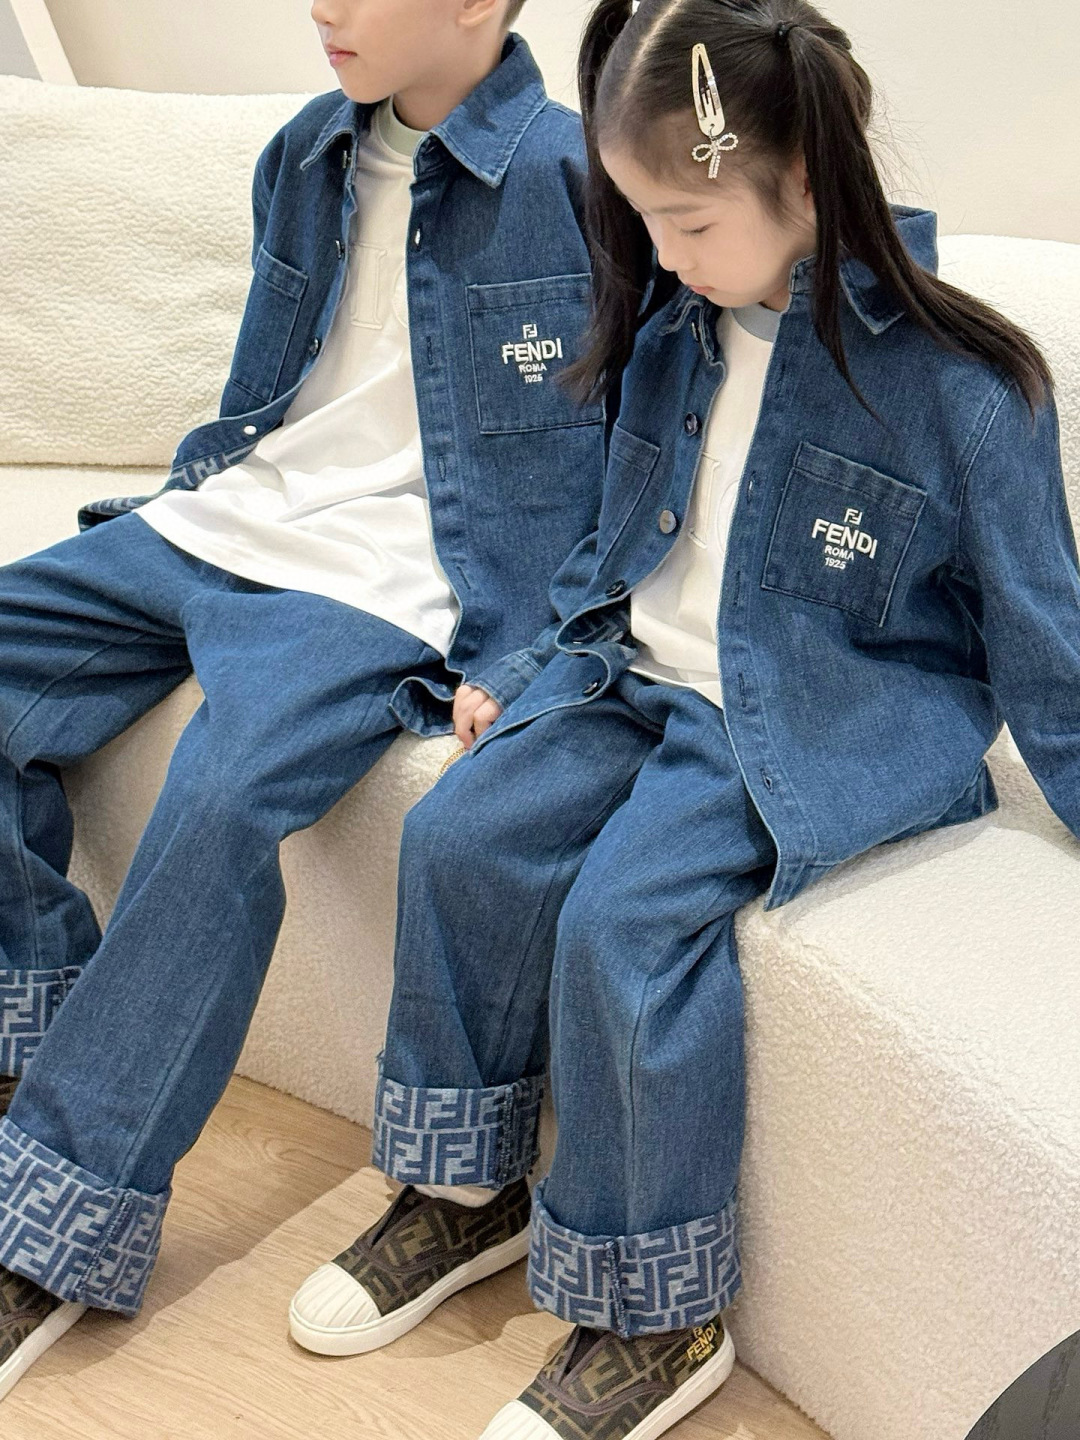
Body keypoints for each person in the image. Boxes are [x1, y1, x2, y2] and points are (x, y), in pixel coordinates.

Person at [287, 1, 1080, 1437]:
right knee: (461, 835)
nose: (661, 255)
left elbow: (1050, 652)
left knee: (624, 922)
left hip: (812, 720)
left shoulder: (969, 389)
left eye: (690, 222)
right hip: (635, 672)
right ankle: (466, 1190)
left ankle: (657, 1314)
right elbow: (615, 540)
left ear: (807, 182)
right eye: (644, 218)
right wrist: (536, 661)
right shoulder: (680, 323)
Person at [0, 0, 607, 1401]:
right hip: (230, 518)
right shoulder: (307, 151)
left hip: (395, 579)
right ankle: (30, 1026)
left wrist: (530, 645)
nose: (323, 6)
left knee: (220, 797)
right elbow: (271, 391)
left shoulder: (582, 180)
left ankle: (53, 1225)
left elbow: (633, 441)